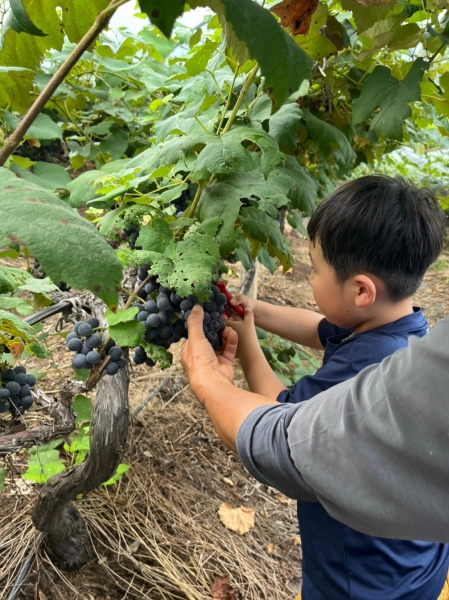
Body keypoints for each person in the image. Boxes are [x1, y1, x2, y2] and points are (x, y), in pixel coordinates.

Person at [182, 175, 449, 600]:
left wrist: (246, 343)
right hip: (418, 565)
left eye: (315, 269)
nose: (309, 279)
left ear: (361, 290)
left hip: (360, 583)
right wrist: (253, 309)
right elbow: (319, 328)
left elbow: (280, 414)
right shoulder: (402, 328)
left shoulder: (362, 368)